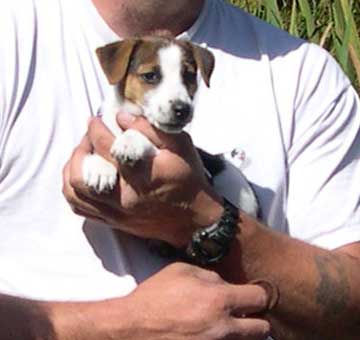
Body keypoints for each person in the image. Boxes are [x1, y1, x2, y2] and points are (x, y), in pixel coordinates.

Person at [1, 0, 360, 339]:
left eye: (188, 79)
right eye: (151, 77)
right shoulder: (13, 34)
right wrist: (120, 327)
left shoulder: (305, 75)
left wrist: (200, 218)